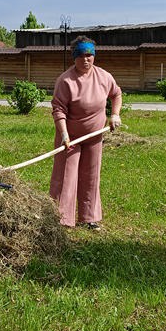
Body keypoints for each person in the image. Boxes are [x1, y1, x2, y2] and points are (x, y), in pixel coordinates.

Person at [49, 36, 122, 229]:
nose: (86, 59)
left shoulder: (104, 77)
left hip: (94, 136)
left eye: (90, 55)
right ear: (74, 57)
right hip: (70, 138)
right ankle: (61, 219)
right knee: (67, 175)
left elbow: (116, 94)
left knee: (91, 175)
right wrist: (64, 135)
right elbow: (58, 110)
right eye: (81, 56)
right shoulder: (66, 81)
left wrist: (114, 115)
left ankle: (89, 217)